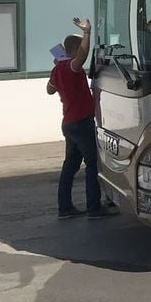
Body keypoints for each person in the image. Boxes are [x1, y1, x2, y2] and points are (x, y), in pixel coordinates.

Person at [47, 17, 118, 220]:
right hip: (81, 122)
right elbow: (83, 55)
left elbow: (49, 90)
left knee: (70, 166)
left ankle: (65, 208)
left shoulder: (58, 69)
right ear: (75, 49)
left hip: (68, 124)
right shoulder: (71, 67)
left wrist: (56, 68)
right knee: (93, 163)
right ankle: (94, 207)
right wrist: (86, 33)